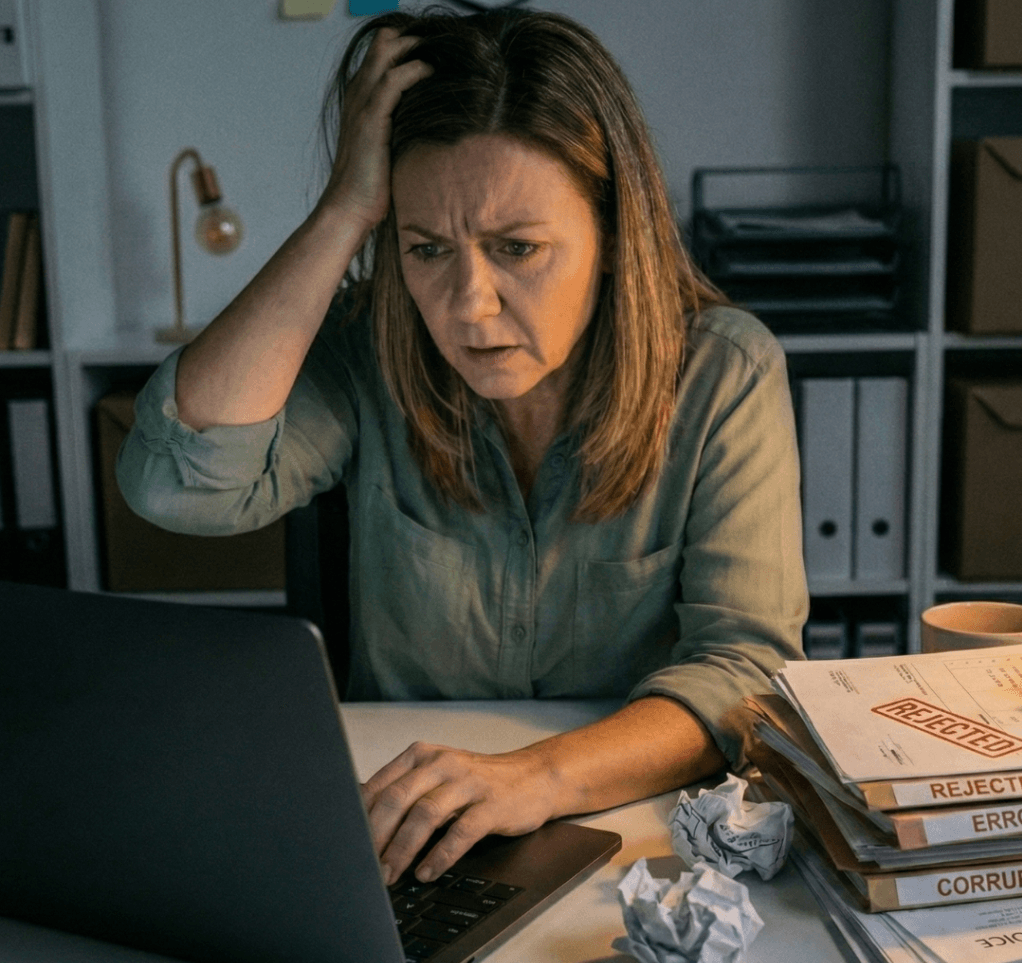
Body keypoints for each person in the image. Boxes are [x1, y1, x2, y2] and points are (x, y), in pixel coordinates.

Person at [117, 7, 807, 889]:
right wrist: (344, 212)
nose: (469, 303)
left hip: (636, 837)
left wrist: (537, 778)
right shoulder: (369, 350)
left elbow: (745, 671)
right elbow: (178, 487)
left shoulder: (724, 372)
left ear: (610, 234)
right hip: (404, 825)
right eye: (427, 248)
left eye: (517, 247)